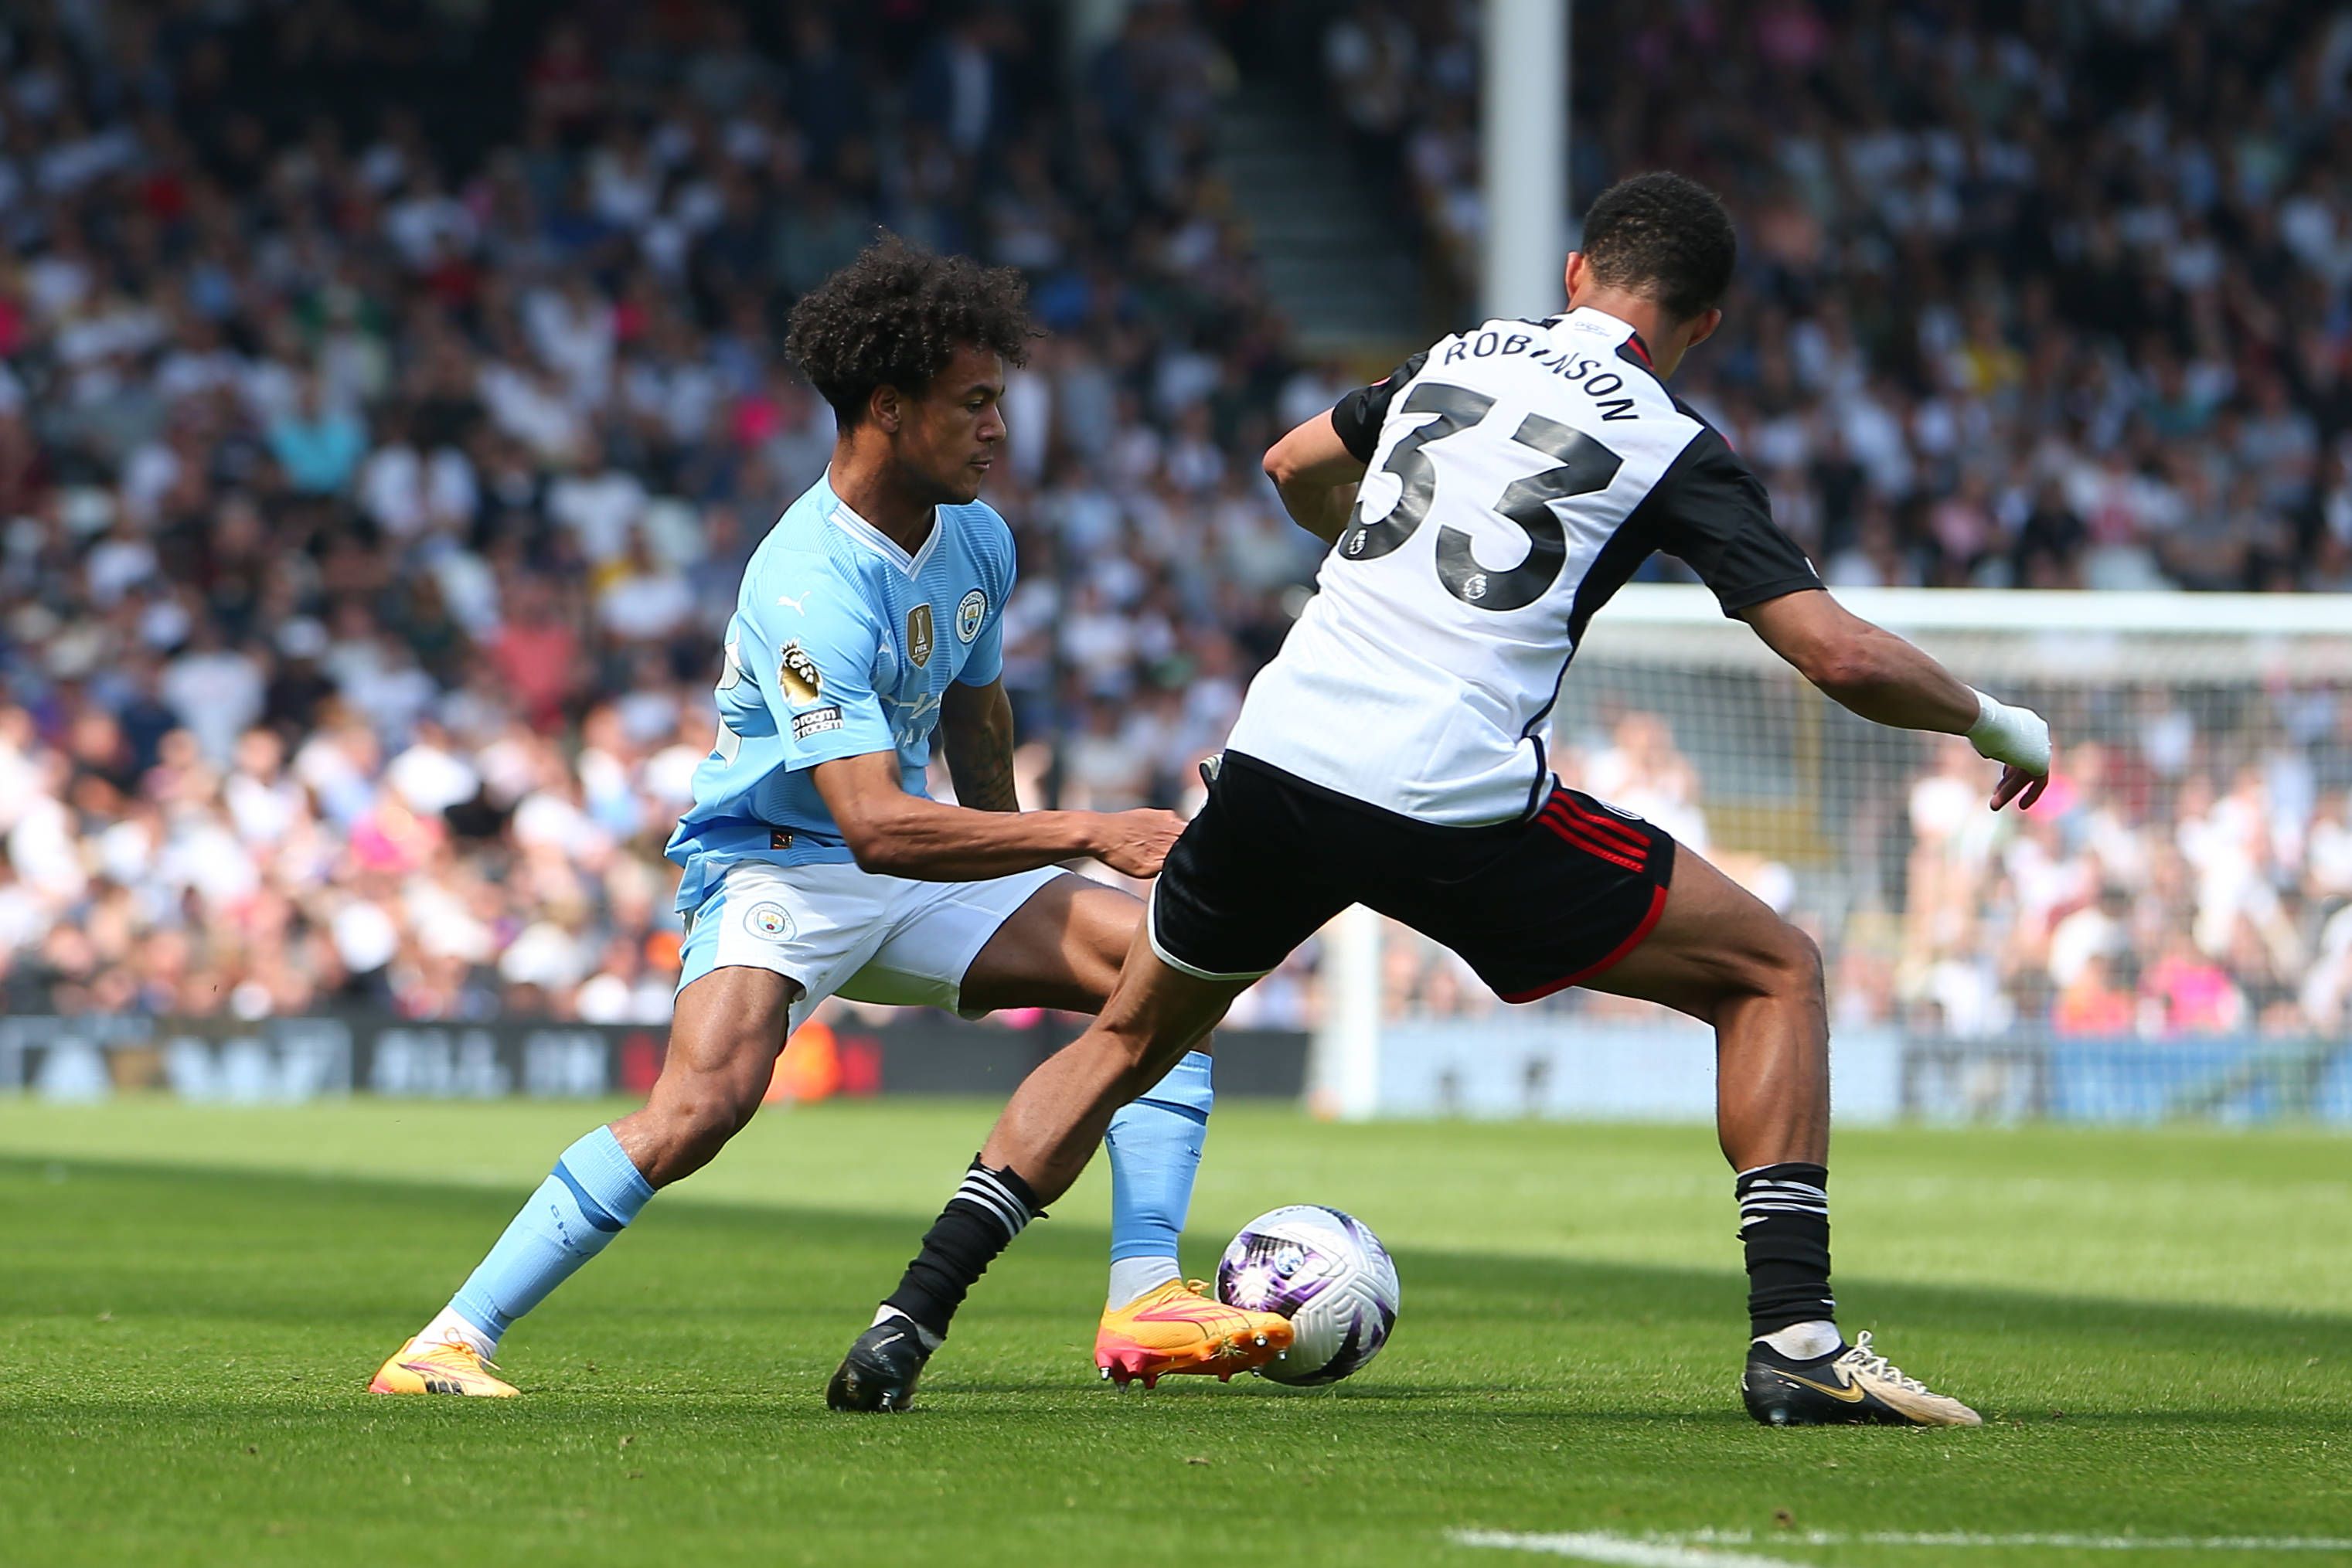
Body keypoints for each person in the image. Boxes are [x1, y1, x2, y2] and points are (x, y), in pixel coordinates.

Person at [827, 175, 2052, 1426]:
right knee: (1774, 967)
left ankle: (906, 1321)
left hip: (1279, 756)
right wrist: (1996, 720)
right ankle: (1797, 1341)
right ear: (1708, 323)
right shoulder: (1672, 438)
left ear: (1574, 273)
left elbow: (1291, 461)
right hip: (1446, 793)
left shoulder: (1459, 356)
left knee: (1125, 1039)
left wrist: (1361, 550)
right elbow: (1835, 651)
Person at [371, 236, 1292, 1398]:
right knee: (702, 1107)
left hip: (912, 857)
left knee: (1169, 978)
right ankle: (447, 1339)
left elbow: (979, 711)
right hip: (774, 869)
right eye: (974, 403)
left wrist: (1014, 882)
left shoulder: (978, 537)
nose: (999, 429)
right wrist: (1085, 832)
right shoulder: (804, 581)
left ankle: (1147, 1292)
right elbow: (872, 826)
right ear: (888, 408)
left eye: (999, 401)